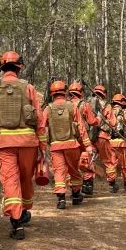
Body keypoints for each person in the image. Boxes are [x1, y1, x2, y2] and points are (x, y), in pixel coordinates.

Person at [0, 51, 45, 239]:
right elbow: (39, 119)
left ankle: (17, 223)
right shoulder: (29, 88)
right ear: (19, 68)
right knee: (25, 179)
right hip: (28, 143)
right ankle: (23, 211)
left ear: (2, 67)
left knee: (10, 180)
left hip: (5, 143)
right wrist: (42, 146)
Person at [44, 80, 86, 209]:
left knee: (59, 171)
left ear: (52, 94)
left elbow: (41, 126)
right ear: (65, 92)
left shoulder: (48, 108)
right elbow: (81, 127)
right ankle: (76, 195)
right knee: (74, 170)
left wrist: (41, 145)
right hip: (71, 144)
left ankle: (61, 199)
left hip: (56, 146)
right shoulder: (72, 107)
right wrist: (88, 145)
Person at [68, 81, 98, 195]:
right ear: (80, 93)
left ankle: (74, 189)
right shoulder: (84, 105)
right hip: (83, 138)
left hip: (69, 139)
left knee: (72, 163)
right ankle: (87, 185)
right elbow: (92, 121)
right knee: (86, 160)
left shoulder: (66, 105)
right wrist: (98, 119)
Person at [107, 94, 126, 191]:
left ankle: (112, 184)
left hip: (110, 143)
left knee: (111, 163)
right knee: (125, 164)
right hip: (123, 144)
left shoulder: (108, 112)